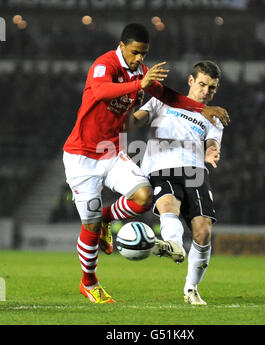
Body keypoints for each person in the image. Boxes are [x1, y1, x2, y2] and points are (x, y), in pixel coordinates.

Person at [63, 23, 229, 304]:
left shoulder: (140, 71)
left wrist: (203, 109)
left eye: (145, 53)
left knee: (143, 196)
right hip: (82, 156)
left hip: (112, 151)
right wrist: (138, 85)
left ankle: (107, 218)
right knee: (88, 227)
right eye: (136, 53)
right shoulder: (104, 64)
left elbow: (168, 96)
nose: (141, 59)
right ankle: (89, 282)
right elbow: (102, 92)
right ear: (122, 46)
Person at [128, 61, 224, 305]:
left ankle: (191, 288)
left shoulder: (213, 116)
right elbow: (135, 120)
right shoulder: (163, 101)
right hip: (161, 166)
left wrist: (211, 151)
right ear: (191, 81)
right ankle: (174, 245)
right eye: (202, 84)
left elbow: (212, 142)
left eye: (211, 88)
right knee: (169, 205)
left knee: (203, 232)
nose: (206, 91)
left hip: (195, 171)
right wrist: (122, 115)